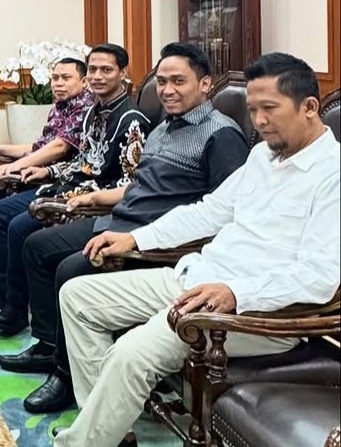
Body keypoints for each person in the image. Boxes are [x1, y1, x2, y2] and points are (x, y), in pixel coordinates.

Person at [53, 52, 339, 447]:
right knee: (78, 297)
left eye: (269, 109)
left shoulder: (333, 176)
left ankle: (82, 442)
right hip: (197, 278)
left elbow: (321, 277)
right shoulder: (262, 155)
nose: (258, 122)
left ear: (309, 107)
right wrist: (136, 239)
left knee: (131, 352)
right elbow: (208, 212)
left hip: (255, 309)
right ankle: (108, 431)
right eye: (253, 109)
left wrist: (237, 293)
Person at [9, 42, 250, 414]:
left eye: (178, 82)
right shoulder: (162, 129)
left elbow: (221, 213)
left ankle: (66, 376)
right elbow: (139, 186)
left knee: (69, 269)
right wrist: (98, 200)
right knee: (37, 245)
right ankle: (48, 346)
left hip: (155, 239)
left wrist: (140, 238)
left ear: (205, 85)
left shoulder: (221, 135)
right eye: (163, 82)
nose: (167, 91)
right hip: (119, 219)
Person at [0, 43, 151, 336]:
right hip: (68, 185)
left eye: (106, 70)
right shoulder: (94, 112)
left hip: (92, 202)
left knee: (19, 226)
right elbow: (80, 161)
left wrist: (85, 197)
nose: (97, 76)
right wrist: (47, 171)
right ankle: (13, 302)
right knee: (4, 213)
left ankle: (22, 315)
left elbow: (129, 184)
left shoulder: (131, 121)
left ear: (123, 73)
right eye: (93, 69)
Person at [0, 57, 92, 289]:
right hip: (36, 165)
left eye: (66, 78)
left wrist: (16, 166)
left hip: (53, 176)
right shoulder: (59, 107)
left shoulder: (84, 108)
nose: (58, 83)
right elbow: (37, 147)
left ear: (84, 82)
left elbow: (60, 147)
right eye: (55, 78)